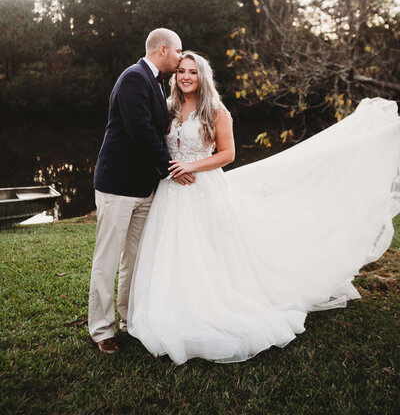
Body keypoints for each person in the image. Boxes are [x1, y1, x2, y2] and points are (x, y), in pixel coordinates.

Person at [127, 51, 400, 365]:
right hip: (170, 192)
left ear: (203, 76)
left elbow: (228, 154)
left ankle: (210, 306)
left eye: (193, 71)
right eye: (181, 72)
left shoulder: (216, 111)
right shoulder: (168, 108)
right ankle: (169, 307)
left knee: (207, 250)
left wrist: (192, 165)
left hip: (202, 189)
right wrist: (170, 168)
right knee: (170, 251)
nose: (186, 77)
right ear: (174, 76)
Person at [88, 28, 195, 354]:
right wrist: (170, 168)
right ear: (163, 49)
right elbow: (141, 131)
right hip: (118, 185)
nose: (180, 58)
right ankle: (102, 330)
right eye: (178, 52)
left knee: (135, 260)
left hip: (144, 187)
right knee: (108, 260)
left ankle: (129, 319)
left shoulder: (157, 83)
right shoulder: (134, 78)